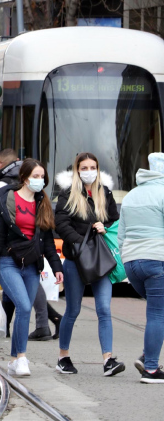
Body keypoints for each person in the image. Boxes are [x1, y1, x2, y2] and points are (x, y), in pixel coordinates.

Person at [0, 158, 63, 378]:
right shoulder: (6, 200)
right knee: (25, 306)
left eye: (42, 178)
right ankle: (22, 358)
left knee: (23, 311)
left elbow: (47, 242)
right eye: (35, 177)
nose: (39, 181)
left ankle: (12, 360)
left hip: (31, 265)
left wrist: (57, 268)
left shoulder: (42, 204)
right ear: (25, 177)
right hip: (8, 262)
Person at [54, 152, 124, 376]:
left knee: (104, 309)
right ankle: (63, 357)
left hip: (100, 259)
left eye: (92, 167)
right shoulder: (67, 194)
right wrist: (80, 243)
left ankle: (108, 360)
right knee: (73, 310)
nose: (88, 171)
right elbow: (61, 224)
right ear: (77, 170)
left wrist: (104, 226)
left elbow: (114, 219)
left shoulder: (105, 193)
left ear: (98, 168)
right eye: (83, 168)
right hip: (76, 260)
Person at [118, 152, 164, 383]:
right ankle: (151, 368)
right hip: (157, 259)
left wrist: (127, 258)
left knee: (158, 311)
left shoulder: (131, 195)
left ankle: (148, 355)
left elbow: (121, 235)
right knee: (158, 313)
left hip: (132, 263)